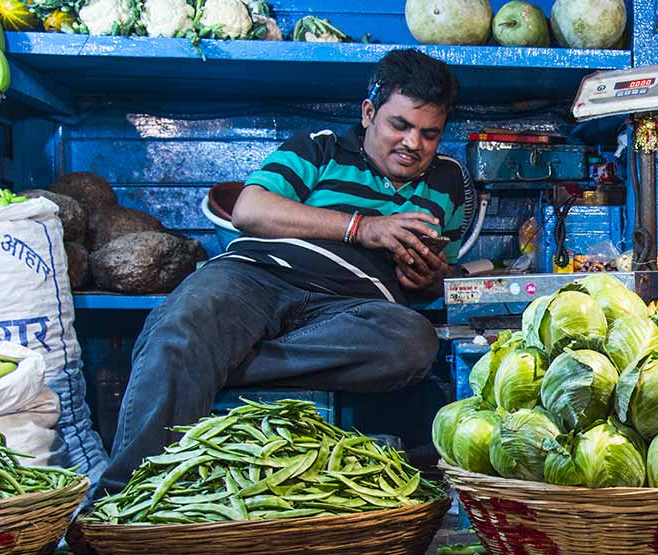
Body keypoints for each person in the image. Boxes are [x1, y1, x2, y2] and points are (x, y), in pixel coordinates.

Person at [100, 49, 465, 496]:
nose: (414, 144)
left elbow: (437, 276)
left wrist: (426, 278)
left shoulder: (449, 181)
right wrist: (361, 228)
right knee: (189, 319)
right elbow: (249, 210)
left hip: (354, 311)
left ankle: (208, 359)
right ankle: (118, 505)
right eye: (400, 125)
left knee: (413, 342)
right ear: (369, 113)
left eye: (430, 134)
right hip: (257, 276)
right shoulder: (319, 146)